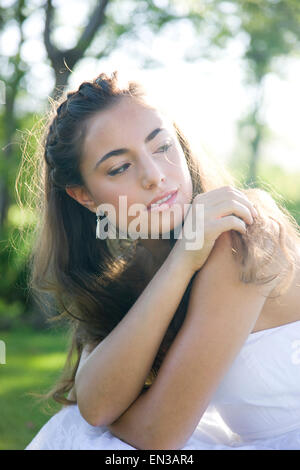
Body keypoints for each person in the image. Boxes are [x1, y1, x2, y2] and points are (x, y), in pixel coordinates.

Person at [23, 71, 300, 450]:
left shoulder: (239, 232)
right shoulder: (139, 271)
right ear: (84, 196)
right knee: (73, 428)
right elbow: (95, 404)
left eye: (162, 146)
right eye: (120, 167)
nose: (154, 176)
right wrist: (181, 261)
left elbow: (157, 435)